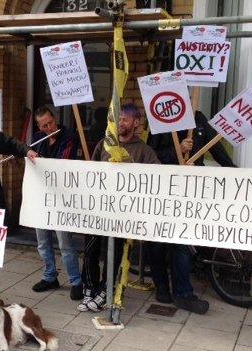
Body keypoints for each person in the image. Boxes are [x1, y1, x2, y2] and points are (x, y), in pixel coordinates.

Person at [146, 110, 234, 315]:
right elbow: (151, 154)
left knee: (182, 242)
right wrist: (176, 151)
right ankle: (161, 287)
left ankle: (183, 293)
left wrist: (233, 170)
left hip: (189, 191)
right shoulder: (162, 118)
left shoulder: (199, 119)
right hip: (163, 190)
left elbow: (216, 147)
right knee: (157, 242)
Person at [79, 103, 160, 312]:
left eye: (125, 119)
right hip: (99, 210)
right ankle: (90, 287)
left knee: (113, 253)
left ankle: (106, 291)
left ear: (136, 123)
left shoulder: (144, 150)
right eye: (117, 119)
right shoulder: (104, 144)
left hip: (123, 216)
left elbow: (159, 177)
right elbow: (92, 171)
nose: (120, 123)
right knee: (90, 248)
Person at [30, 107, 83, 300]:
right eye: (43, 125)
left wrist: (39, 161)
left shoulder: (68, 137)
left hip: (61, 198)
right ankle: (50, 275)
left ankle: (76, 280)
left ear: (55, 119)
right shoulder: (38, 138)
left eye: (50, 123)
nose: (48, 128)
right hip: (42, 197)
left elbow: (62, 164)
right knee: (43, 242)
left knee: (65, 243)